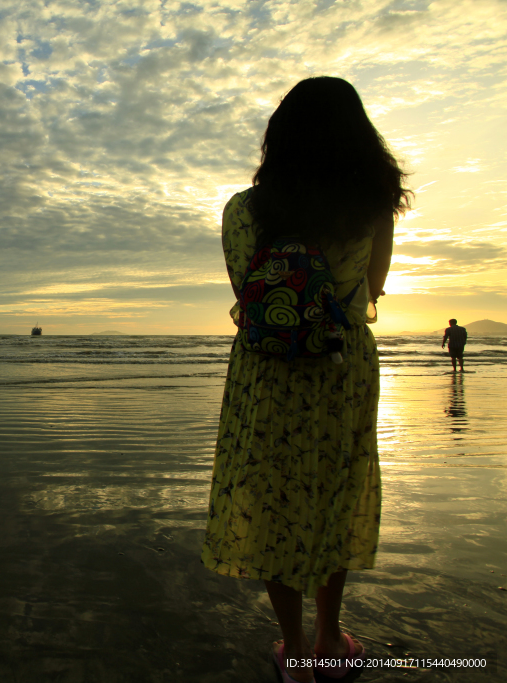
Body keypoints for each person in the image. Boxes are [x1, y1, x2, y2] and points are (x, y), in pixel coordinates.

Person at [200, 77, 412, 683]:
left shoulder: (243, 209)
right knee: (333, 492)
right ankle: (327, 639)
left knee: (273, 497)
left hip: (265, 375)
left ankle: (293, 652)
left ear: (279, 138)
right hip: (341, 370)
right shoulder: (370, 207)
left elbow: (249, 294)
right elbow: (370, 293)